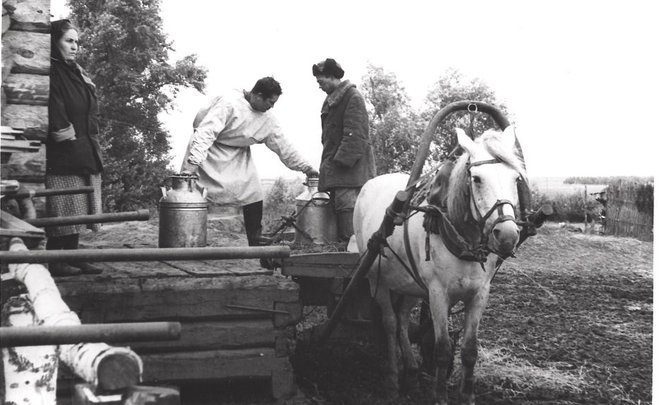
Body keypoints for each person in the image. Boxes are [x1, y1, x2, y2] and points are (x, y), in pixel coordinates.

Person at [180, 77, 318, 253]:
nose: (272, 106)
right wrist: (193, 163)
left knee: (253, 191)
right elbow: (206, 132)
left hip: (238, 155)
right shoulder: (229, 102)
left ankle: (255, 238)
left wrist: (306, 167)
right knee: (188, 195)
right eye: (270, 102)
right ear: (258, 95)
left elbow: (284, 147)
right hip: (208, 150)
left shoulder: (268, 120)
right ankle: (185, 237)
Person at [45, 19, 104, 276]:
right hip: (65, 150)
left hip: (83, 145)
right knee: (66, 206)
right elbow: (54, 108)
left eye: (76, 42)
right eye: (69, 41)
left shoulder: (75, 71)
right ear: (54, 41)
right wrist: (64, 133)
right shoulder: (52, 72)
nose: (75, 46)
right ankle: (57, 261)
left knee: (79, 207)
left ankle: (75, 256)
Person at [312, 58, 376, 244]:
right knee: (341, 217)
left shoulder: (352, 97)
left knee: (350, 219)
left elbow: (355, 138)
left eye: (321, 81)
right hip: (339, 175)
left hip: (350, 174)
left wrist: (336, 165)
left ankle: (352, 263)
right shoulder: (334, 100)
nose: (319, 86)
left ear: (332, 77)